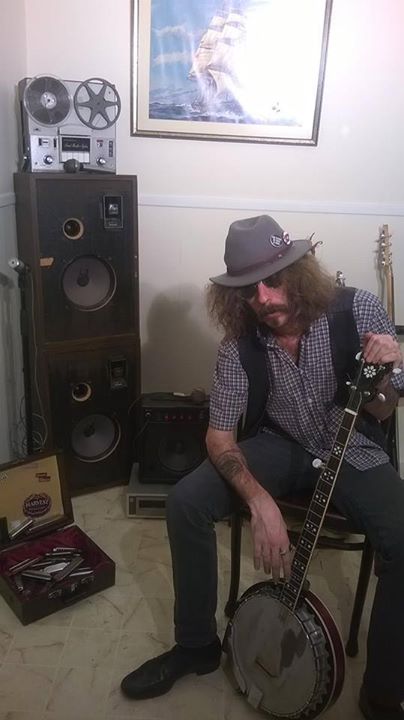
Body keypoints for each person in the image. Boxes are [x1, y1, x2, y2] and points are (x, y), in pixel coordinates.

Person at [121, 215, 404, 720]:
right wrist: (259, 501)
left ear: (299, 272)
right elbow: (219, 436)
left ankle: (383, 689)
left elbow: (384, 409)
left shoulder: (357, 307)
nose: (265, 299)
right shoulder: (238, 344)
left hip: (352, 447)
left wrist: (384, 373)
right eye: (249, 290)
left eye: (274, 281)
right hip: (280, 444)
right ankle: (196, 646)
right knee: (186, 502)